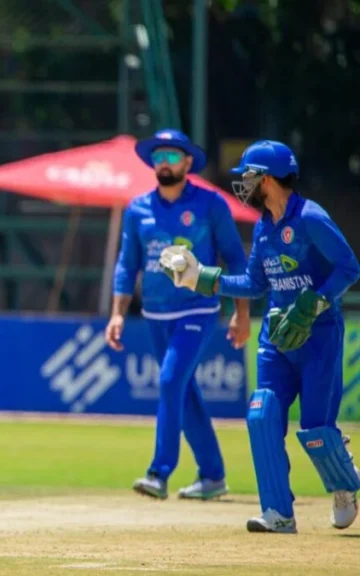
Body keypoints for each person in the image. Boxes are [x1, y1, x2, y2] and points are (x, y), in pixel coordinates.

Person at [160, 140, 360, 533]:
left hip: (317, 335)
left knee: (317, 429)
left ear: (267, 179)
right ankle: (278, 513)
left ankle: (345, 486)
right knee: (262, 413)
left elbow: (349, 267)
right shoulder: (265, 228)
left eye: (248, 177)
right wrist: (199, 277)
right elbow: (253, 284)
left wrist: (315, 302)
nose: (244, 185)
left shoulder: (311, 219)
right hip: (275, 337)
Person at [105, 129, 250, 501]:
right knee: (184, 392)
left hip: (198, 309)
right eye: (158, 157)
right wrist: (117, 314)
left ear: (188, 162)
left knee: (170, 381)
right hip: (155, 314)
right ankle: (213, 475)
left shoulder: (210, 204)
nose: (164, 163)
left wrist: (241, 313)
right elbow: (127, 264)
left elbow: (235, 258)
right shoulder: (138, 209)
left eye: (172, 157)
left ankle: (159, 471)